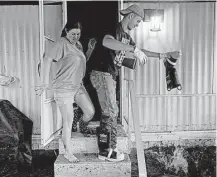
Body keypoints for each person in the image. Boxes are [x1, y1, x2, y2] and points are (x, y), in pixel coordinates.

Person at [89, 4, 180, 162]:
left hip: (110, 74)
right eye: (137, 21)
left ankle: (108, 149)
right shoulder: (114, 27)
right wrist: (133, 49)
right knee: (111, 111)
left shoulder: (126, 36)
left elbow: (139, 50)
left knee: (111, 111)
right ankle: (106, 151)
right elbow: (106, 41)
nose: (137, 25)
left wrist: (163, 55)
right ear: (130, 16)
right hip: (101, 72)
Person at [35, 21, 96, 163]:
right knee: (67, 122)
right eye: (73, 33)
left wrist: (90, 51)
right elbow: (46, 60)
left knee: (90, 112)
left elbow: (78, 61)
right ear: (66, 31)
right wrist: (44, 82)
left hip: (78, 86)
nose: (76, 36)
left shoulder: (77, 45)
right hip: (63, 89)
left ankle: (79, 124)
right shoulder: (61, 44)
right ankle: (68, 152)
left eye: (78, 34)